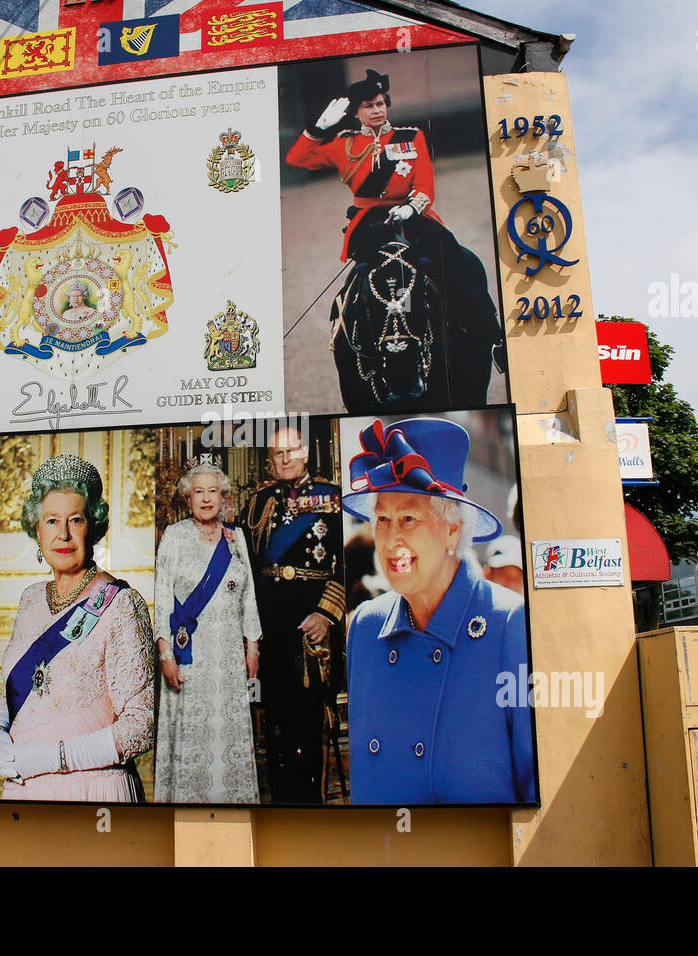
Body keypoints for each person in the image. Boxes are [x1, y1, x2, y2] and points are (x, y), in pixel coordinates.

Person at [342, 418, 535, 804]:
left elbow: (535, 792)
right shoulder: (365, 626)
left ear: (452, 531)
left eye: (409, 518)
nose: (392, 538)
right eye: (382, 519)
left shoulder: (509, 624)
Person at [285, 69, 502, 407]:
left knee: (465, 265)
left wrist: (412, 209)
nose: (378, 110)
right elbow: (296, 158)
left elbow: (426, 185)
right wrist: (317, 129)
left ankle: (492, 336)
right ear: (356, 112)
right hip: (369, 223)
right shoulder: (343, 143)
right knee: (354, 289)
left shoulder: (409, 137)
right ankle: (347, 343)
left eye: (382, 103)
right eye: (369, 105)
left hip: (414, 219)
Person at [0, 455, 155, 802]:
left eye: (75, 520)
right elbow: (18, 688)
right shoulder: (31, 599)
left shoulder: (121, 603)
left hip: (93, 790)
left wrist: (50, 758)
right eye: (51, 521)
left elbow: (140, 728)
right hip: (23, 788)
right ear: (36, 530)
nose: (62, 534)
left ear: (92, 526)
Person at [240, 427, 345, 804]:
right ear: (270, 458)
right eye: (276, 453)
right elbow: (247, 569)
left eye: (291, 450)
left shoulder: (333, 497)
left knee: (308, 726)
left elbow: (348, 564)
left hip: (311, 626)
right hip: (270, 629)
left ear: (305, 452)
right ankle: (283, 806)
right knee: (276, 727)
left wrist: (326, 615)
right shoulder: (257, 502)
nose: (284, 458)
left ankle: (309, 809)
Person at [153, 460, 261, 803]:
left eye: (212, 491)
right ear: (187, 498)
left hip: (229, 657)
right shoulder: (174, 536)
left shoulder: (236, 538)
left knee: (227, 735)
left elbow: (249, 597)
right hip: (189, 657)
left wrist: (252, 646)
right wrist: (165, 654)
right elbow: (160, 600)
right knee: (192, 736)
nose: (206, 498)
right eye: (198, 492)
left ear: (223, 497)